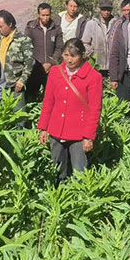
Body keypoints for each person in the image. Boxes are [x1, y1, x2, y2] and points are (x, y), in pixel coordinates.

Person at [37, 38, 103, 185]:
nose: (69, 60)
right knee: (56, 170)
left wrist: (89, 137)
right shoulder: (55, 72)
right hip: (56, 130)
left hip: (79, 133)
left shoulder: (94, 77)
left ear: (82, 55)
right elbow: (48, 101)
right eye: (66, 55)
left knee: (80, 173)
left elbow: (95, 109)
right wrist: (43, 128)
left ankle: (79, 204)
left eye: (73, 56)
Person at [0, 10, 35, 109]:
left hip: (15, 86)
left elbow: (30, 62)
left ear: (10, 24)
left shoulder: (23, 40)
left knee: (19, 117)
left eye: (1, 26)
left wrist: (22, 81)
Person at [24, 3, 63, 101]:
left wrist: (51, 63)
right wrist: (37, 64)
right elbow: (27, 48)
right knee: (31, 96)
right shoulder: (31, 28)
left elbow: (59, 48)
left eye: (47, 15)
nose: (45, 18)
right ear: (38, 15)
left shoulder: (56, 28)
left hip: (51, 69)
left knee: (51, 96)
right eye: (43, 15)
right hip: (35, 69)